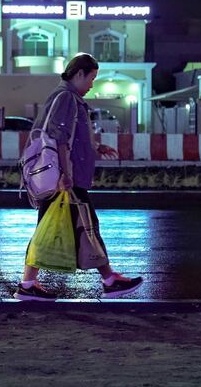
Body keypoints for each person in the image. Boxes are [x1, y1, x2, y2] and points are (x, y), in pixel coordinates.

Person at [14, 53, 143, 301]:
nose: (92, 84)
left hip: (68, 177)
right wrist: (65, 174)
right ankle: (109, 280)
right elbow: (58, 139)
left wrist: (96, 148)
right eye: (92, 78)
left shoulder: (67, 97)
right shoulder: (66, 98)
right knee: (86, 226)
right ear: (79, 74)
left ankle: (29, 284)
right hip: (67, 180)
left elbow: (71, 137)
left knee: (59, 227)